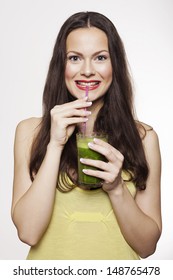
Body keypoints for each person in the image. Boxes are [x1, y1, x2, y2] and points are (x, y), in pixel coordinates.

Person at [11, 11, 162, 260]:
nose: (88, 70)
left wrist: (116, 189)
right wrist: (55, 145)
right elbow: (28, 232)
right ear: (62, 65)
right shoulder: (30, 132)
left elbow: (147, 247)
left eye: (100, 57)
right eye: (75, 58)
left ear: (115, 65)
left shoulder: (144, 138)